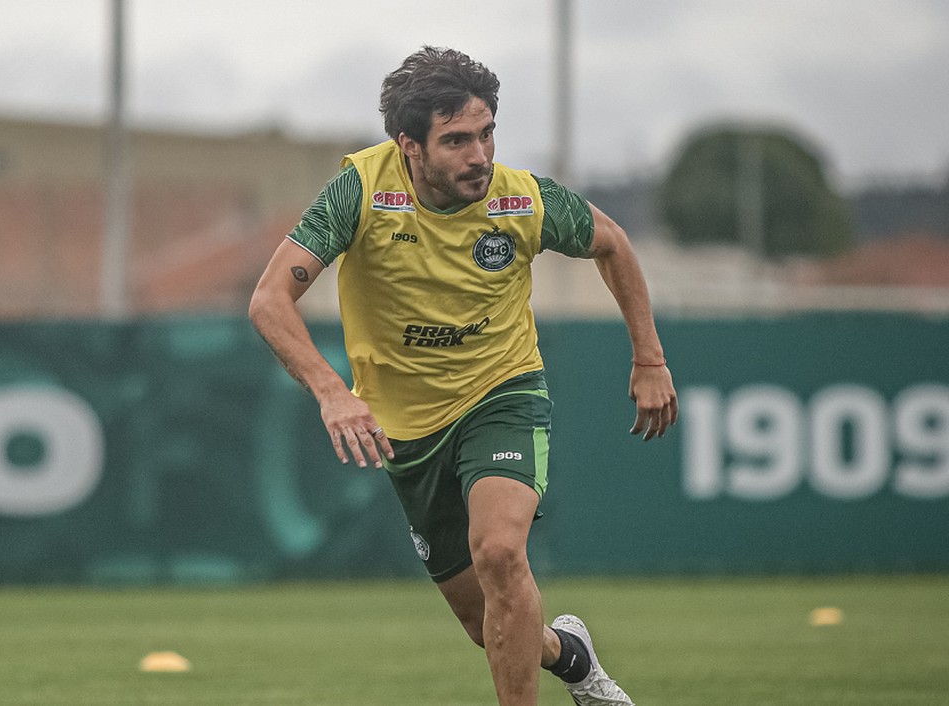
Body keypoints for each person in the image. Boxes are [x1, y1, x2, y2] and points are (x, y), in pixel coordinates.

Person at [249, 45, 677, 706]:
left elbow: (612, 243)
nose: (479, 155)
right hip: (407, 430)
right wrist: (332, 393)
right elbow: (269, 299)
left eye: (486, 134)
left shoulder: (521, 198)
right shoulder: (361, 190)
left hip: (501, 395)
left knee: (502, 553)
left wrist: (649, 358)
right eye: (456, 141)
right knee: (489, 626)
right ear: (409, 146)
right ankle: (575, 660)